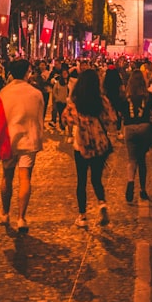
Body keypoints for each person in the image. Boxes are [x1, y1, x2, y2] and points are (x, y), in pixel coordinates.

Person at [0, 59, 45, 233]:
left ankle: (5, 213)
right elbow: (40, 118)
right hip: (29, 140)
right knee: (25, 178)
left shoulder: (4, 93)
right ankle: (21, 218)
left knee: (7, 177)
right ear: (27, 72)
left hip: (9, 141)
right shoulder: (36, 94)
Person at [64, 68, 117, 226]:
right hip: (99, 143)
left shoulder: (75, 102)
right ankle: (102, 203)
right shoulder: (102, 101)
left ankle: (82, 216)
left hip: (81, 144)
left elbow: (66, 118)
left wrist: (79, 122)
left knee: (81, 181)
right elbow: (112, 121)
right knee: (96, 178)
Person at [122, 70, 152, 202]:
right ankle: (142, 189)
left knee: (131, 159)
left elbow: (122, 114)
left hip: (129, 128)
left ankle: (130, 182)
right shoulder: (148, 95)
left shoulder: (125, 96)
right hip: (144, 128)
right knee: (142, 160)